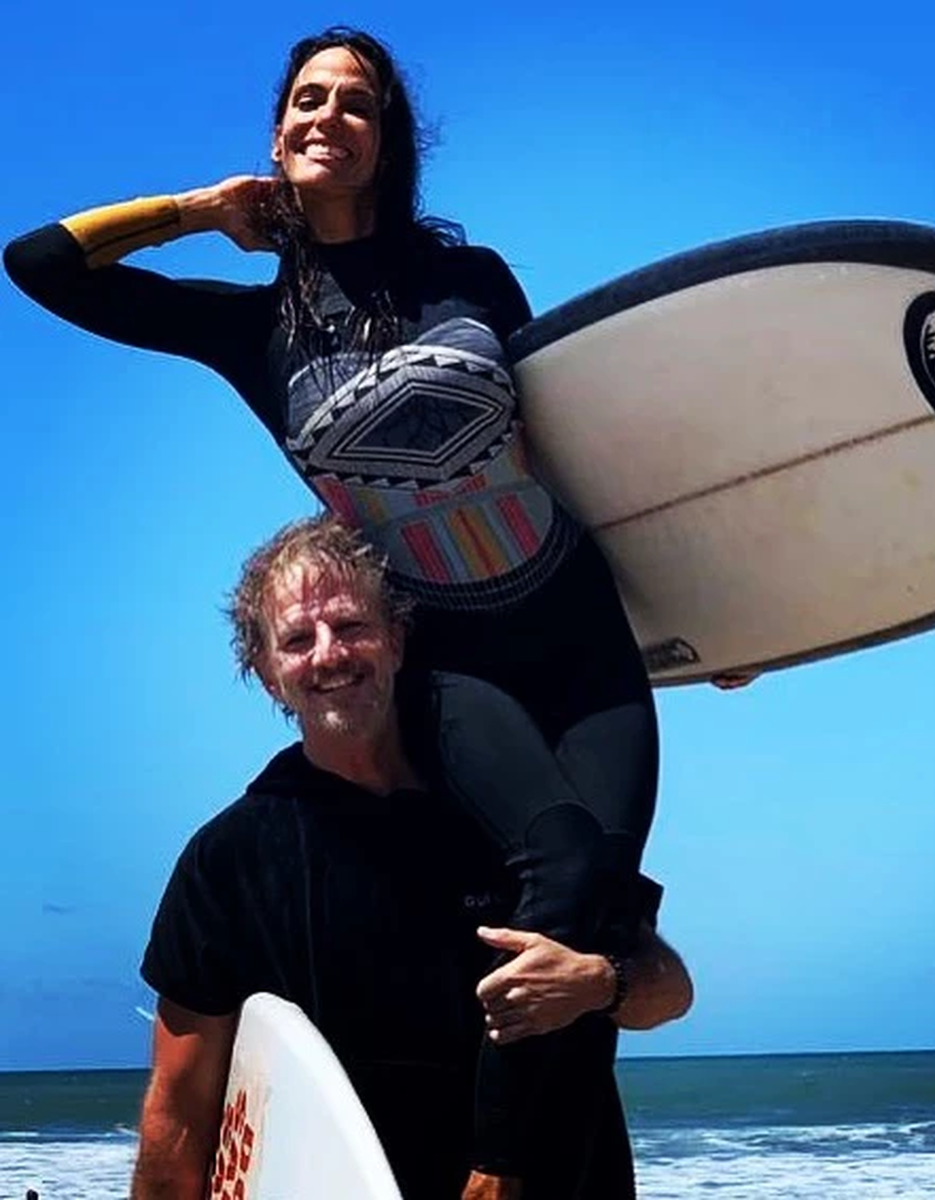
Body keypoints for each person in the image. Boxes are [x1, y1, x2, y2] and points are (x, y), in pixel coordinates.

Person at [4, 26, 663, 1193]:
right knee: (555, 871)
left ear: (387, 140)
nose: (328, 118)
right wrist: (202, 210)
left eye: (356, 104)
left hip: (579, 631)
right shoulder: (248, 331)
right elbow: (41, 262)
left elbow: (581, 449)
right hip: (456, 654)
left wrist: (730, 620)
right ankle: (490, 1176)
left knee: (593, 915)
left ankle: (536, 1169)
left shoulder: (474, 282)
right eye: (308, 100)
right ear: (278, 134)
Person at [133, 514, 692, 1200]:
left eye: (351, 626)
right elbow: (181, 1113)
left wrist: (602, 983)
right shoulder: (230, 862)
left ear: (397, 639)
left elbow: (670, 989)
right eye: (298, 640)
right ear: (268, 673)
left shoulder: (510, 812)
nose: (330, 654)